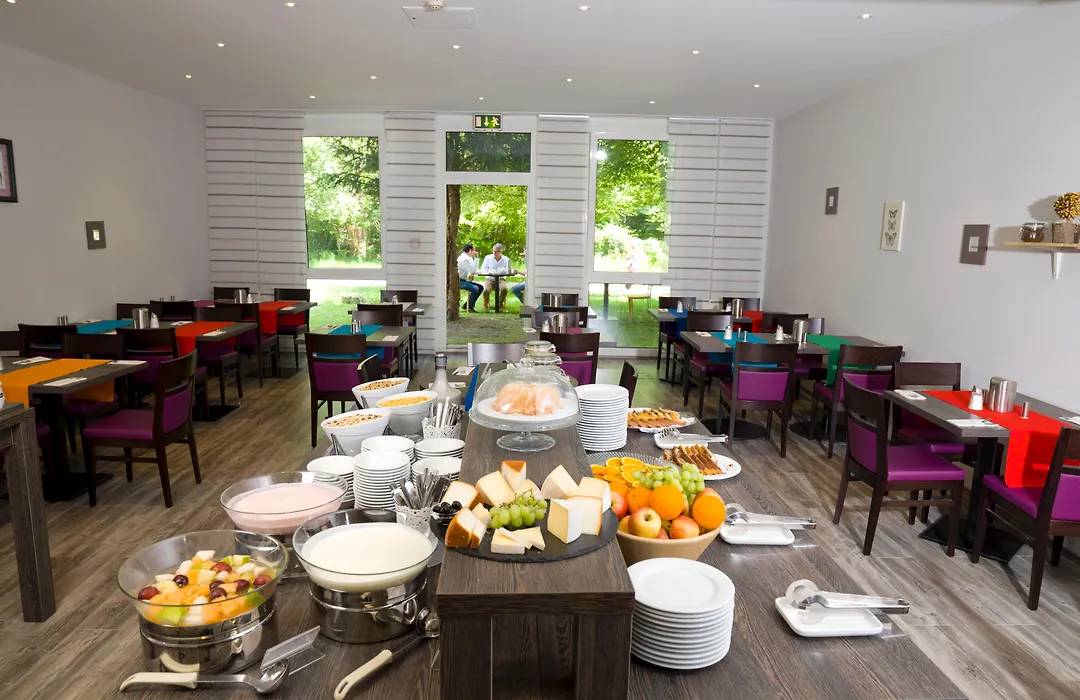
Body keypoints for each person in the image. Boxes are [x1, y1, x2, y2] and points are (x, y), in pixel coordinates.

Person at [480, 243, 526, 310]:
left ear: (501, 251)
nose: (494, 253)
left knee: (504, 289)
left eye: (496, 251)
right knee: (486, 290)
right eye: (493, 251)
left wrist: (505, 271)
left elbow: (508, 270)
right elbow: (483, 269)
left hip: (500, 279)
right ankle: (485, 302)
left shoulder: (505, 259)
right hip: (490, 278)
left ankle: (500, 302)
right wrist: (488, 272)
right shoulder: (488, 258)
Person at [456, 243, 482, 312]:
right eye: (474, 250)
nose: (475, 252)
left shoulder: (468, 258)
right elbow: (474, 270)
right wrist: (476, 258)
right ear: (470, 250)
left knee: (480, 287)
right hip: (458, 281)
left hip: (463, 280)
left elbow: (473, 269)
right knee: (475, 288)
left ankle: (467, 305)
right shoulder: (464, 259)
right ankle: (470, 307)